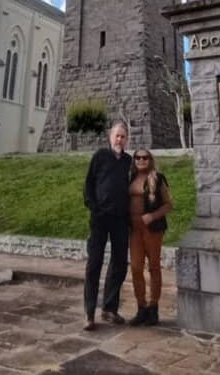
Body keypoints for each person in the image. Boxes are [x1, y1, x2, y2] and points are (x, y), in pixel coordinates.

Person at [82, 121, 131, 331]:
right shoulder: (100, 156)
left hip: (120, 219)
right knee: (94, 264)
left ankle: (109, 308)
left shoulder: (129, 161)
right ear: (110, 137)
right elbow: (88, 185)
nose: (119, 139)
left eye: (123, 136)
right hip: (100, 219)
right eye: (117, 136)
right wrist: (94, 208)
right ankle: (89, 313)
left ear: (126, 139)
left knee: (119, 264)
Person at [127, 148, 173, 326]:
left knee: (154, 267)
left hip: (152, 229)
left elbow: (169, 205)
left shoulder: (158, 178)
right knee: (136, 268)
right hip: (135, 229)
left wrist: (152, 216)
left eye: (145, 157)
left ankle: (153, 308)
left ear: (150, 160)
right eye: (137, 157)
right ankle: (141, 307)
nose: (141, 160)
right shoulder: (130, 178)